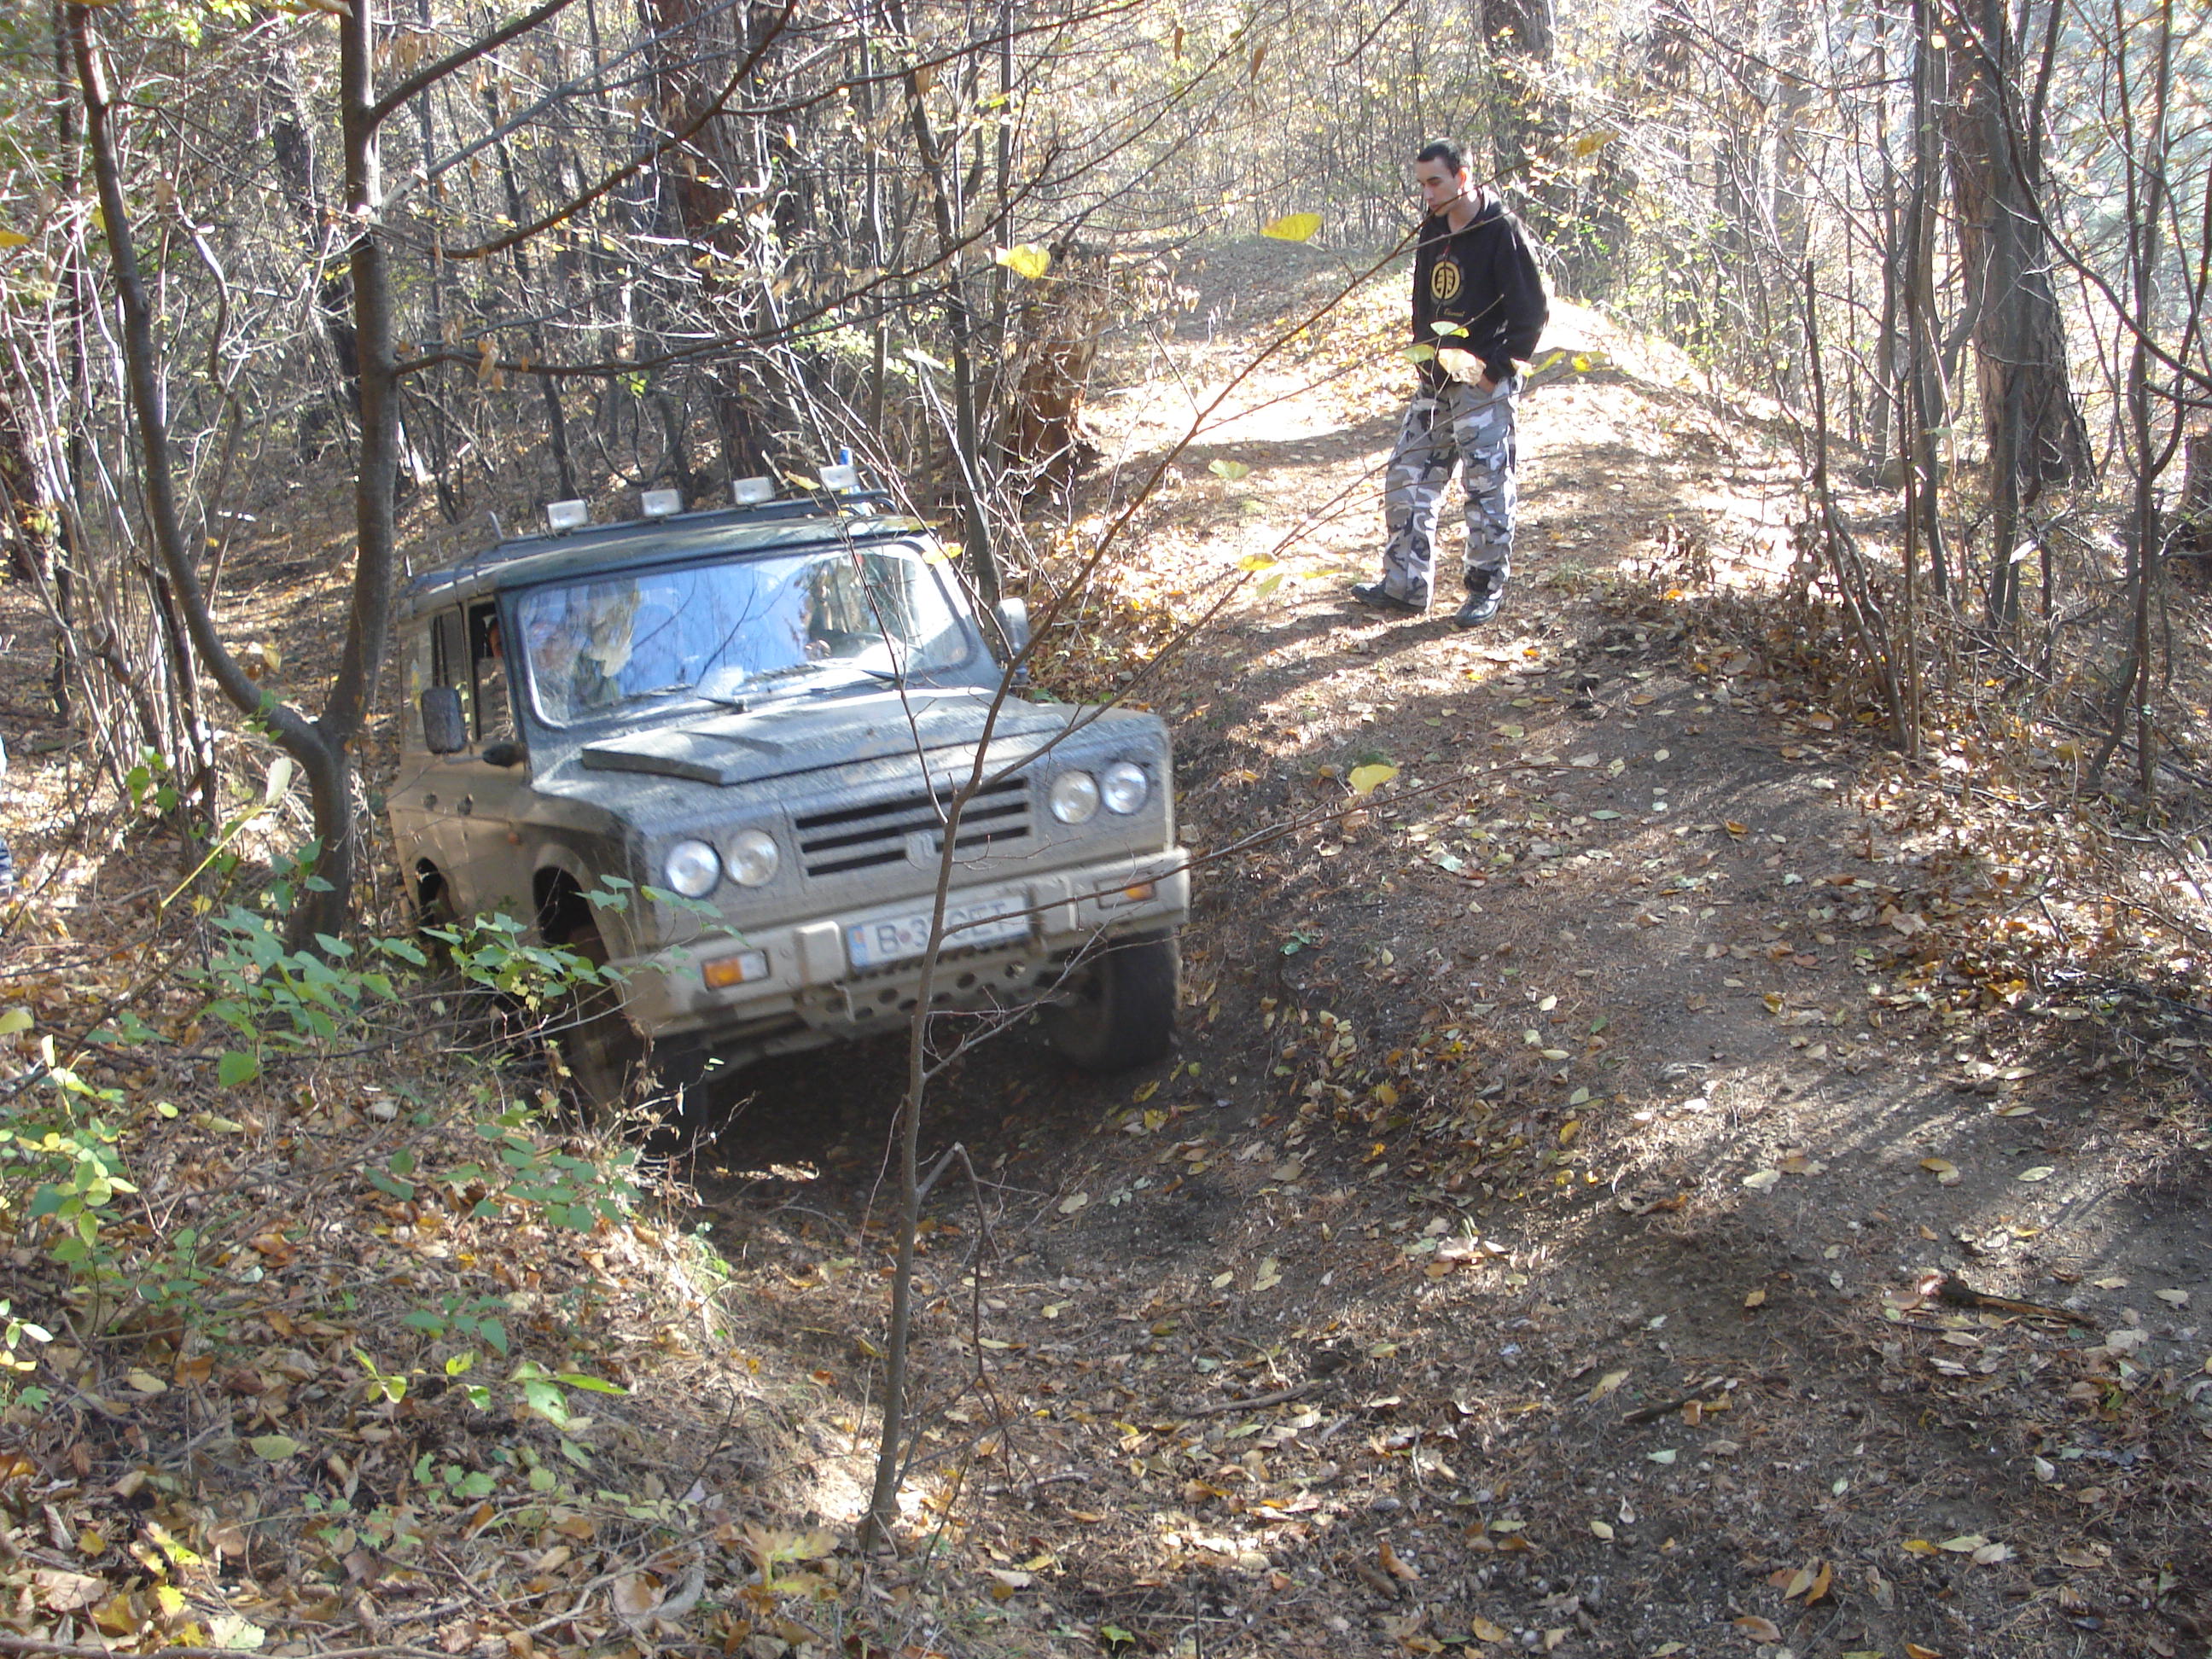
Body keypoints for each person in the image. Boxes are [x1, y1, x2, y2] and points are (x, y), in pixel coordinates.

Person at [1352, 139, 1549, 627]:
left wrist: (1493, 372)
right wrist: (1424, 358)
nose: (1427, 193)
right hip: (1434, 386)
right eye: (1422, 184)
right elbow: (1424, 299)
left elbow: (1532, 313)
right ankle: (1404, 586)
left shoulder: (1501, 230)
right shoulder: (1433, 227)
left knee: (1486, 490)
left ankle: (1485, 589)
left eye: (1435, 182)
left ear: (1463, 177)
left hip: (1483, 388)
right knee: (1408, 476)